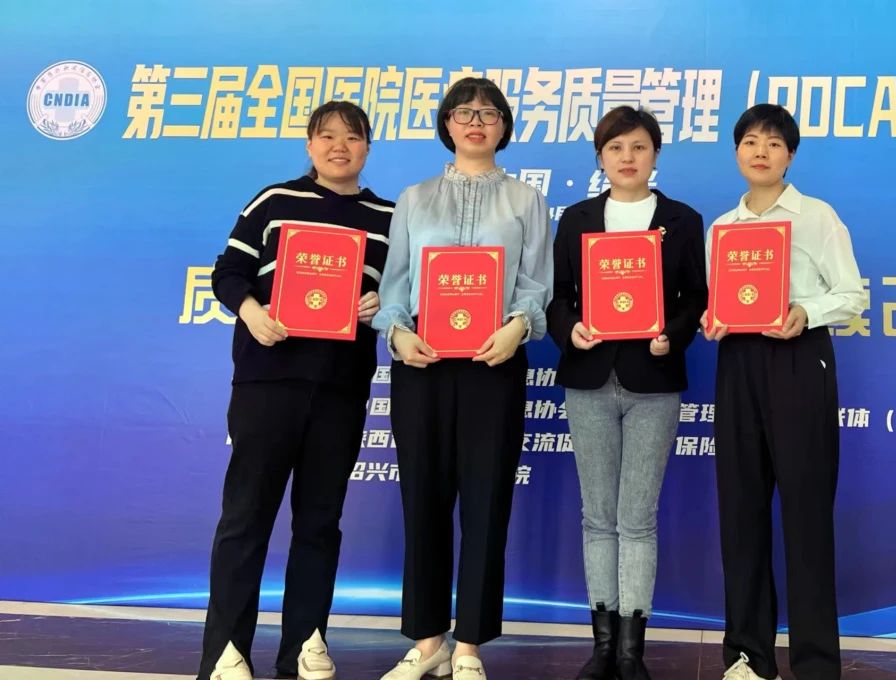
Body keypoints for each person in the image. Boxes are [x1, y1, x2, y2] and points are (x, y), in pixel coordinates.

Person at [200, 100, 393, 680]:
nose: (340, 147)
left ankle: (306, 643)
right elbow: (227, 272)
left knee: (319, 522)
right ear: (309, 146)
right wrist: (252, 311)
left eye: (352, 137)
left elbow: (406, 294)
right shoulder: (273, 202)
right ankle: (225, 652)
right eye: (327, 136)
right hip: (268, 381)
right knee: (245, 517)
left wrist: (382, 303)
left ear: (367, 148)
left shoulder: (388, 217)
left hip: (340, 388)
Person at [372, 77, 553, 680]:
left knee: (487, 500)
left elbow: (536, 282)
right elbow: (396, 283)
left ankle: (470, 643)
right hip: (421, 363)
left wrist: (518, 327)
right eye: (464, 112)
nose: (477, 122)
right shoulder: (414, 198)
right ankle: (428, 641)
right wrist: (398, 334)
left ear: (505, 126)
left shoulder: (525, 200)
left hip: (493, 363)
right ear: (446, 123)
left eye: (489, 113)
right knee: (423, 498)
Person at [703, 104, 868, 680]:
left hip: (800, 358)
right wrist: (713, 318)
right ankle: (748, 655)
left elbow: (852, 294)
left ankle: (816, 662)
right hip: (738, 363)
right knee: (741, 510)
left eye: (774, 143)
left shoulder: (816, 216)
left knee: (805, 513)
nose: (761, 152)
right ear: (737, 152)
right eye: (750, 141)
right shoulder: (722, 228)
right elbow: (722, 299)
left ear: (790, 156)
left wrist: (805, 312)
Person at [547, 106, 708, 680]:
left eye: (639, 146)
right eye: (615, 148)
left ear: (656, 153)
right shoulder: (577, 219)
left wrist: (674, 336)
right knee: (597, 516)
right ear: (600, 157)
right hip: (589, 379)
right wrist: (571, 329)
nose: (628, 157)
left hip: (654, 381)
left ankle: (631, 651)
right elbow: (557, 296)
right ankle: (602, 646)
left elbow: (696, 296)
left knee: (637, 518)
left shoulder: (682, 220)